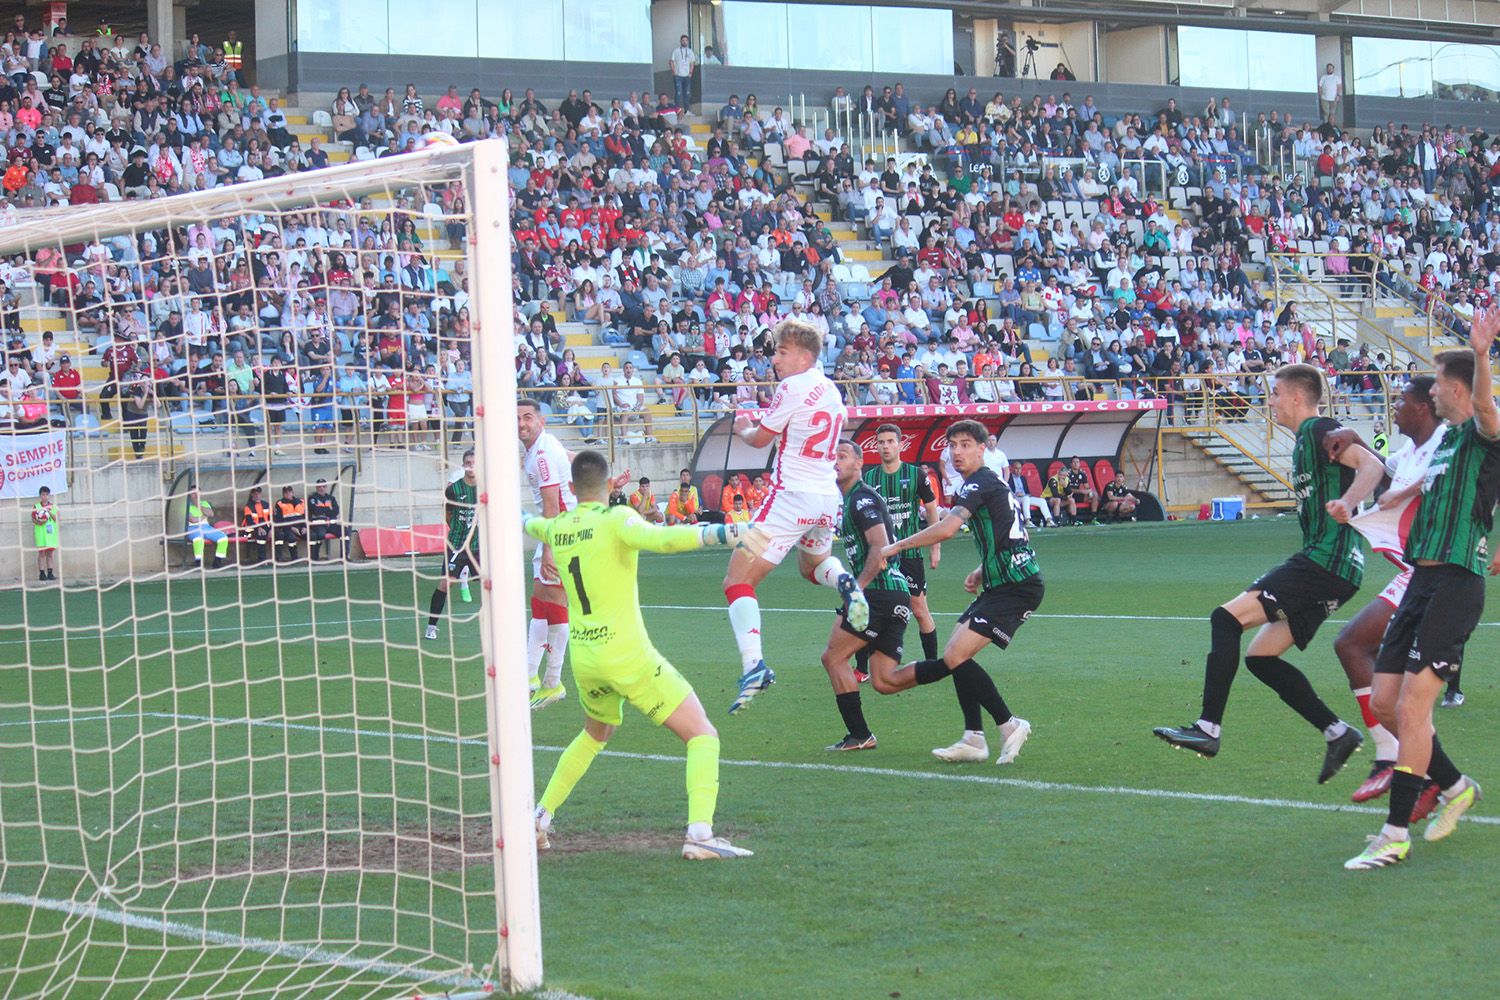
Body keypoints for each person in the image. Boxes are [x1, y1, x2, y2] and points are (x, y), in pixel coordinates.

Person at [1154, 364, 1384, 781]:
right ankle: (1336, 732)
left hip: (1325, 561)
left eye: (1276, 393)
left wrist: (1348, 502)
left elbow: (1372, 467)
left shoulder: (1319, 430)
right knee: (1261, 658)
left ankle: (1208, 728)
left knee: (1225, 619)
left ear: (1298, 397)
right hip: (1338, 569)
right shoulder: (1303, 441)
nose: (1270, 401)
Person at [527, 449, 752, 860]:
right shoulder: (616, 519)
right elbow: (661, 537)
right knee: (703, 735)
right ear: (611, 483)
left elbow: (532, 524)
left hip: (586, 658)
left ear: (572, 488)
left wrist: (512, 517)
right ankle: (700, 834)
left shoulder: (557, 526)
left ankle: (539, 818)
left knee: (596, 734)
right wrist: (723, 533)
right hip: (626, 655)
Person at [1344, 319, 1499, 870]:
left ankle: (1393, 835)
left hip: (1457, 584)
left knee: (1412, 708)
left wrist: (1481, 354)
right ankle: (1455, 785)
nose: (1430, 391)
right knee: (1386, 703)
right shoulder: (1446, 442)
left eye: (1436, 383)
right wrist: (1366, 509)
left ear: (1457, 387)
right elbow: (1415, 487)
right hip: (1421, 581)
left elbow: (1485, 408)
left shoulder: (1482, 432)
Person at [722, 319, 868, 714]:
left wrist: (743, 428)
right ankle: (847, 582)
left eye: (782, 352)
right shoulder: (832, 389)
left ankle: (753, 666)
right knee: (813, 565)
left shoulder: (792, 386)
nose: (775, 359)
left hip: (791, 497)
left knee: (737, 580)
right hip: (826, 498)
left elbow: (761, 440)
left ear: (804, 356)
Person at [877, 420, 1039, 764]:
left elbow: (948, 528)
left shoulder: (979, 482)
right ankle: (973, 739)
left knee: (954, 657)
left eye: (965, 444)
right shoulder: (986, 484)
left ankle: (1009, 725)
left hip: (1016, 588)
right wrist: (983, 569)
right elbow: (1012, 532)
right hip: (1002, 583)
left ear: (983, 449)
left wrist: (896, 547)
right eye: (952, 445)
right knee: (956, 655)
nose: (957, 452)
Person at [1327, 377, 1443, 808]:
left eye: (1402, 401)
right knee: (1352, 645)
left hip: (1439, 571)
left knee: (1403, 691)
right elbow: (1387, 470)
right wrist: (1355, 438)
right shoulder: (1409, 451)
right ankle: (1406, 763)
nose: (1395, 407)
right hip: (1415, 571)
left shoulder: (1449, 440)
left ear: (1424, 408)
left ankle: (1427, 776)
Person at [819, 441, 914, 751]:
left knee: (834, 657)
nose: (835, 461)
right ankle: (950, 666)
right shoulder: (849, 500)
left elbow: (879, 545)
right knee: (884, 680)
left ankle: (860, 735)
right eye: (831, 456)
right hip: (896, 594)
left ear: (859, 463)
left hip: (878, 593)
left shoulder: (860, 499)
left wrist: (855, 591)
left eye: (842, 456)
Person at [859, 424, 942, 673]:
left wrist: (935, 547)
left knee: (918, 608)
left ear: (899, 444)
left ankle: (932, 665)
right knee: (868, 607)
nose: (885, 446)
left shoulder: (915, 474)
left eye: (889, 441)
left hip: (909, 552)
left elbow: (931, 509)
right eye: (881, 442)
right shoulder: (869, 478)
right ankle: (862, 669)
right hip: (879, 554)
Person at [518, 397, 577, 710]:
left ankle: (551, 681)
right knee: (542, 599)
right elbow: (575, 460)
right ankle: (529, 675)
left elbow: (552, 504)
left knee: (551, 600)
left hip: (560, 533)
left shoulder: (541, 453)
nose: (522, 424)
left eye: (528, 417)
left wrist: (552, 551)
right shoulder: (547, 443)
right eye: (517, 419)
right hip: (561, 531)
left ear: (541, 420)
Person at [426, 450, 479, 639]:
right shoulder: (453, 490)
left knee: (491, 584)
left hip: (478, 547)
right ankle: (431, 626)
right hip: (456, 545)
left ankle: (498, 626)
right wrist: (458, 530)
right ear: (463, 465)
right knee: (444, 584)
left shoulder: (485, 488)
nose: (471, 465)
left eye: (474, 462)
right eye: (468, 462)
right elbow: (447, 514)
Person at [185, 485, 229, 569]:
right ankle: (198, 562)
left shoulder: (204, 503)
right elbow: (193, 520)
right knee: (198, 539)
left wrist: (199, 506)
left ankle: (217, 561)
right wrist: (204, 516)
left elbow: (211, 514)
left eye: (197, 493)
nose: (196, 495)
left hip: (206, 527)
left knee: (223, 538)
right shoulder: (186, 505)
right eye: (193, 494)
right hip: (192, 528)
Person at [307, 478, 348, 560]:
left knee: (345, 531)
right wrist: (328, 510)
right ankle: (315, 557)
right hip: (318, 524)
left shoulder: (331, 498)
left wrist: (323, 510)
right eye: (319, 487)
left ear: (326, 487)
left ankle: (345, 556)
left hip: (331, 524)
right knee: (320, 535)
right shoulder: (312, 498)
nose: (321, 488)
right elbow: (315, 510)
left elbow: (336, 511)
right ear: (316, 487)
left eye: (323, 486)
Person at [1008, 462, 1055, 527]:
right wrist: (1017, 494)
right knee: (1026, 498)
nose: (1018, 470)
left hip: (1024, 497)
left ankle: (1049, 520)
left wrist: (1025, 494)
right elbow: (1008, 491)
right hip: (1015, 498)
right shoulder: (1009, 478)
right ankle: (1027, 521)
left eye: (1020, 468)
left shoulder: (1023, 478)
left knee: (1042, 501)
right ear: (1012, 469)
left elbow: (1028, 492)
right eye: (1016, 468)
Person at [272, 484, 307, 563]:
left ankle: (314, 558)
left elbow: (305, 517)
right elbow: (279, 520)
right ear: (283, 494)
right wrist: (291, 528)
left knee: (313, 536)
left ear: (293, 492)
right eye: (285, 492)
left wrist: (305, 527)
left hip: (301, 527)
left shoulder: (301, 502)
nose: (288, 494)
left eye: (289, 492)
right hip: (288, 528)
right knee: (291, 538)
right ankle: (294, 559)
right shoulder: (280, 503)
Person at [240, 485, 272, 564]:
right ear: (252, 495)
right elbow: (249, 521)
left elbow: (272, 519)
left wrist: (271, 529)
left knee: (279, 535)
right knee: (261, 535)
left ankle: (279, 559)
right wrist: (258, 528)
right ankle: (262, 560)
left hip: (266, 526)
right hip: (251, 528)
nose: (257, 496)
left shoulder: (266, 504)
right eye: (255, 494)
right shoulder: (248, 507)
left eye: (258, 494)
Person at [32, 485, 58, 581]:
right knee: (41, 554)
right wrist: (40, 521)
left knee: (50, 554)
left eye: (47, 494)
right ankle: (42, 573)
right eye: (43, 494)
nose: (45, 496)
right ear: (40, 495)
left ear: (49, 495)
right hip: (41, 535)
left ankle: (50, 573)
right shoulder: (36, 506)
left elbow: (57, 519)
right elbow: (34, 519)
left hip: (50, 535)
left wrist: (49, 512)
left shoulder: (53, 506)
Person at [668, 34, 696, 112]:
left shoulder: (690, 51)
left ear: (688, 41)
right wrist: (674, 71)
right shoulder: (676, 51)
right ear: (680, 41)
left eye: (686, 40)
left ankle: (686, 110)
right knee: (679, 93)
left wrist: (691, 73)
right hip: (678, 76)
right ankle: (678, 110)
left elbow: (692, 63)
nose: (684, 42)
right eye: (683, 40)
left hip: (687, 76)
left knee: (687, 93)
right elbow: (671, 61)